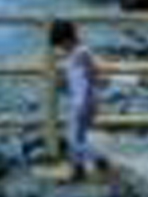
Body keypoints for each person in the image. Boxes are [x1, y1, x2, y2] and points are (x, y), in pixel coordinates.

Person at [54, 19, 106, 180]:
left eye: (61, 45)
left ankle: (100, 159)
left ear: (67, 40)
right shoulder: (76, 53)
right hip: (80, 101)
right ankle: (78, 169)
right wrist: (63, 83)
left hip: (83, 103)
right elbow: (78, 78)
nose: (61, 49)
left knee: (74, 140)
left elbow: (90, 78)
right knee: (78, 136)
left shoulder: (81, 54)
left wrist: (87, 103)